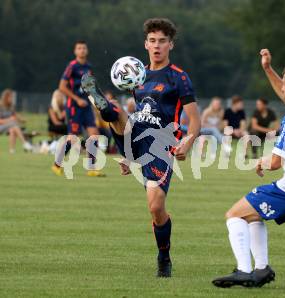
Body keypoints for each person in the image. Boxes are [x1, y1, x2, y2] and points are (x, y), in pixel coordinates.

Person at [81, 18, 201, 277]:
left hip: (162, 146)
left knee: (156, 208)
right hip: (137, 136)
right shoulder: (138, 75)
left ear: (171, 44)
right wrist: (128, 157)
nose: (157, 46)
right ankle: (103, 104)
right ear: (146, 44)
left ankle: (164, 256)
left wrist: (188, 141)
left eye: (162, 41)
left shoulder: (178, 78)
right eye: (153, 41)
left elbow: (195, 120)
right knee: (115, 111)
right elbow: (141, 115)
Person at [212, 49, 285, 288]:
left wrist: (262, 161)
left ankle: (244, 270)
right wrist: (267, 69)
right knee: (252, 214)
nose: (282, 88)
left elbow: (275, 163)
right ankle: (262, 269)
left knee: (234, 215)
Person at [52, 40, 105, 177]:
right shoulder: (72, 66)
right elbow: (62, 87)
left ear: (87, 51)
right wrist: (77, 99)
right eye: (79, 48)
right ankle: (56, 165)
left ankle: (92, 168)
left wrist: (96, 101)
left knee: (94, 134)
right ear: (75, 51)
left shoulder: (88, 67)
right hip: (74, 106)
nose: (82, 50)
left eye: (84, 48)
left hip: (86, 107)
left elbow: (90, 87)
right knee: (73, 138)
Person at [0, 89, 33, 153]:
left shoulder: (11, 106)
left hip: (8, 126)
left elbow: (15, 116)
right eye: (10, 97)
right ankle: (24, 143)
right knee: (13, 124)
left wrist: (22, 120)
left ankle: (12, 150)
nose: (12, 99)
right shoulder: (0, 106)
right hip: (1, 126)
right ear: (6, 97)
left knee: (12, 129)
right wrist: (10, 119)